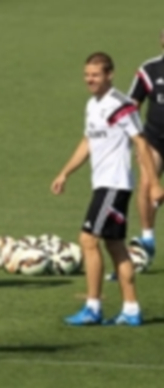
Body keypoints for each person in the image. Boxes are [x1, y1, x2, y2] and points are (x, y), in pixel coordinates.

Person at [51, 52, 164, 326]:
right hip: (103, 185)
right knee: (115, 246)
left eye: (96, 74)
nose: (90, 79)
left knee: (88, 240)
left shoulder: (121, 105)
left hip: (113, 186)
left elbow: (140, 143)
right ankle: (131, 309)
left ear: (110, 75)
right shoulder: (93, 105)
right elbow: (87, 142)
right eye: (87, 74)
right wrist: (65, 172)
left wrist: (154, 183)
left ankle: (93, 307)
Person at [127, 29, 164, 258]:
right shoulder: (150, 70)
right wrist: (137, 140)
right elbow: (131, 106)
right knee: (147, 186)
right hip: (155, 140)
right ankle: (148, 238)